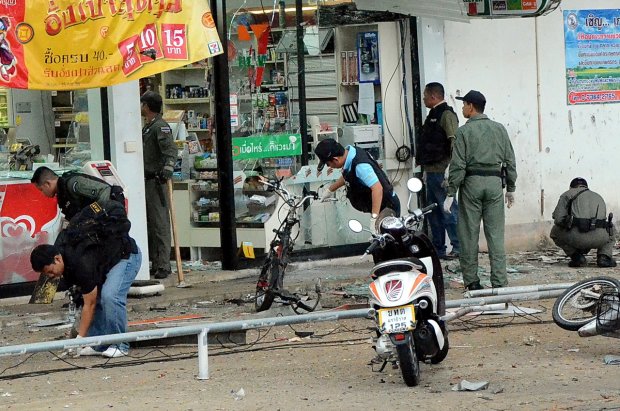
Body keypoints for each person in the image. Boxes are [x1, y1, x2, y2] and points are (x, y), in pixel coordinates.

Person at [30, 199, 141, 358]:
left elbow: (90, 303)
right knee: (97, 297)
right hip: (106, 261)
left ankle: (120, 345)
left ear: (57, 259)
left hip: (126, 256)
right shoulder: (61, 248)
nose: (51, 277)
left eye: (50, 272)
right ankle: (98, 345)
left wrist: (79, 340)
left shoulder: (80, 262)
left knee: (110, 295)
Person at [444, 90, 517, 291]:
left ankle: (472, 282)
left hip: (472, 184)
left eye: (464, 104)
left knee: (468, 234)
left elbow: (458, 165)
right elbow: (510, 160)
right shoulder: (500, 129)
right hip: (495, 184)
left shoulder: (463, 132)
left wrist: (451, 192)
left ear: (471, 106)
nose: (462, 108)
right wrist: (510, 188)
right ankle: (500, 283)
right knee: (495, 236)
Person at [314, 138, 400, 231]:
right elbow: (349, 175)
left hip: (387, 207)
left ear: (335, 159)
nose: (329, 167)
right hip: (379, 207)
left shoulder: (361, 166)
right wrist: (330, 190)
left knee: (384, 240)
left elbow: (377, 189)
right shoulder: (350, 153)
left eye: (328, 164)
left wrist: (374, 218)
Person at [417, 82, 460, 260]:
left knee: (448, 211)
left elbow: (455, 142)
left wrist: (452, 168)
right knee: (433, 214)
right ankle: (438, 250)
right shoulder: (432, 115)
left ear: (433, 96)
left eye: (425, 96)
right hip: (432, 171)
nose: (424, 99)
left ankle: (459, 248)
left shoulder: (446, 115)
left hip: (443, 172)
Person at [140, 91, 177, 279]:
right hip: (146, 181)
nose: (141, 107)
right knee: (150, 224)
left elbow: (170, 151)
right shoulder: (148, 127)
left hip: (156, 181)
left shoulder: (160, 127)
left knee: (160, 224)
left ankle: (163, 264)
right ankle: (155, 262)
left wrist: (168, 169)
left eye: (142, 104)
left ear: (147, 106)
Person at [550, 177, 616, 268]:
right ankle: (604, 257)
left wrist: (569, 222)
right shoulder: (598, 196)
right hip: (600, 239)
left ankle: (577, 257)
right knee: (612, 230)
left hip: (578, 238)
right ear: (586, 186)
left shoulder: (567, 194)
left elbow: (558, 219)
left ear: (571, 187)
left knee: (554, 231)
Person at [31, 166, 123, 222]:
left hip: (111, 220)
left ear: (47, 184)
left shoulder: (73, 184)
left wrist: (93, 215)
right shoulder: (63, 193)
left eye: (41, 190)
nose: (43, 194)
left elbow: (105, 190)